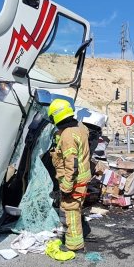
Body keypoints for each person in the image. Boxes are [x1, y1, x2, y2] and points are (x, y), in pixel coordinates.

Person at [47, 98, 91, 252]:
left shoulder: (68, 136)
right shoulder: (80, 127)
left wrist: (66, 186)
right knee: (74, 209)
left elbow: (72, 165)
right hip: (82, 179)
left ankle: (74, 245)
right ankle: (71, 239)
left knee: (71, 210)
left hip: (75, 181)